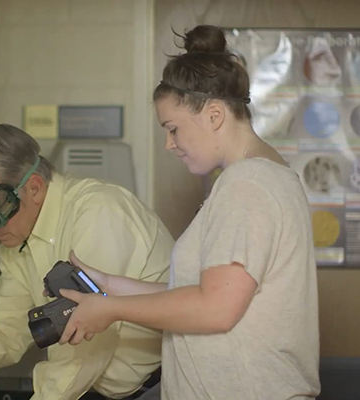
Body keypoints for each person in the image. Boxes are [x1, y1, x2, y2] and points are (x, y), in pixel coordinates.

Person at [57, 25, 321, 399]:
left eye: (174, 129)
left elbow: (215, 309)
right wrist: (110, 287)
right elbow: (207, 294)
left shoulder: (246, 185)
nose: (169, 144)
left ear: (214, 115)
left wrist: (112, 310)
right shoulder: (266, 177)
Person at [0, 124, 175, 400]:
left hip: (156, 389)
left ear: (33, 187)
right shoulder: (17, 238)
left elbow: (86, 344)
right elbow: (7, 327)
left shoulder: (98, 211)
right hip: (96, 389)